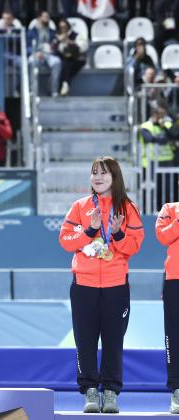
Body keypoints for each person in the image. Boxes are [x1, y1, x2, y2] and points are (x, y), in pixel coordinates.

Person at [59, 156, 144, 413]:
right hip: (83, 284)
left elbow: (134, 246)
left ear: (115, 177)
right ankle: (90, 392)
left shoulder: (128, 207)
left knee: (113, 340)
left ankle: (110, 392)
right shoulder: (80, 207)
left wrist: (117, 234)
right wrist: (89, 230)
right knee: (84, 341)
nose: (97, 177)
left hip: (116, 285)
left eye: (104, 173)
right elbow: (65, 240)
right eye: (94, 172)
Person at [156, 196, 179, 415]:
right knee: (174, 335)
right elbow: (163, 236)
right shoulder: (170, 209)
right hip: (175, 279)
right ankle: (177, 391)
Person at [27, 10, 61, 97]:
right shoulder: (32, 32)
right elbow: (27, 47)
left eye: (48, 17)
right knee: (31, 61)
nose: (47, 19)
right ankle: (32, 90)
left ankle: (54, 91)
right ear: (39, 18)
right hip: (36, 54)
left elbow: (56, 45)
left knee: (57, 62)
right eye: (45, 17)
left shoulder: (52, 32)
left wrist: (54, 47)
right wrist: (35, 53)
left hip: (49, 54)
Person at [53, 19, 87, 96]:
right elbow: (54, 48)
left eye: (64, 27)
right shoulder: (57, 36)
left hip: (77, 57)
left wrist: (71, 42)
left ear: (68, 27)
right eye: (61, 27)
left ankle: (64, 83)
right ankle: (65, 84)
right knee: (66, 63)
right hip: (63, 58)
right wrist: (59, 41)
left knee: (69, 63)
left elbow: (83, 47)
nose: (63, 29)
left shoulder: (76, 35)